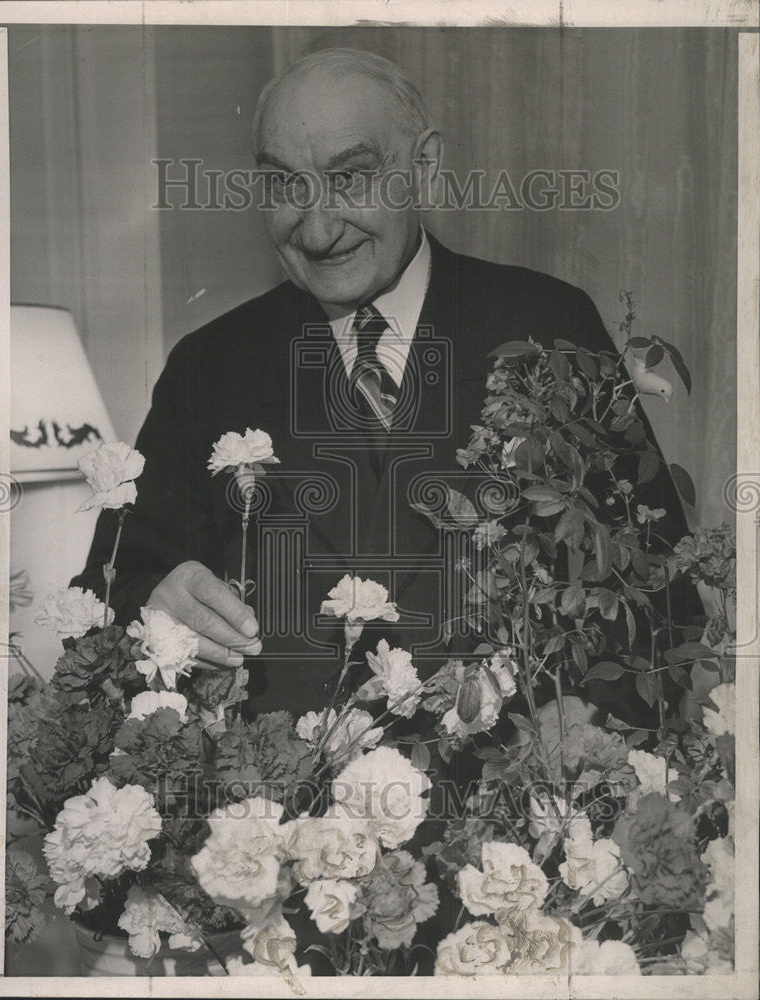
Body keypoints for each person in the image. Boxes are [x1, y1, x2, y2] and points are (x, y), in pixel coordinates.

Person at [72, 48, 694, 720]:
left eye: (349, 178)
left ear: (422, 167)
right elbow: (106, 595)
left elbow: (659, 606)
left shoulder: (547, 326)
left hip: (505, 806)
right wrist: (153, 603)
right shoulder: (208, 366)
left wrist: (566, 774)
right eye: (284, 185)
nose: (316, 228)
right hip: (277, 808)